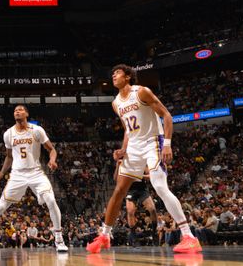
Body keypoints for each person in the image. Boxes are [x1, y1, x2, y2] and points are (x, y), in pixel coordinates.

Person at [86, 64, 202, 254]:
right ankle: (105, 236)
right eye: (112, 73)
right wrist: (123, 149)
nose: (113, 75)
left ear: (128, 76)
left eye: (117, 73)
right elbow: (127, 129)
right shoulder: (116, 103)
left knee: (159, 186)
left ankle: (189, 236)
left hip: (153, 141)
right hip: (133, 146)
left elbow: (167, 115)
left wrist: (167, 143)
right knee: (118, 190)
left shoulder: (141, 92)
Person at [0, 105, 67, 253]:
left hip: (36, 172)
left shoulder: (37, 130)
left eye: (20, 110)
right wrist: (1, 172)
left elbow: (51, 149)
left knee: (51, 200)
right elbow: (9, 156)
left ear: (26, 113)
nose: (17, 112)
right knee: (2, 205)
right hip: (17, 174)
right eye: (15, 111)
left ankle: (59, 239)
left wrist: (52, 160)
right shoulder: (8, 134)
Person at [125, 173, 158, 245]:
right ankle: (133, 236)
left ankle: (154, 232)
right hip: (130, 190)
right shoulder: (126, 163)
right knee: (130, 211)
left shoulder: (143, 163)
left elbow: (150, 176)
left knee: (152, 209)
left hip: (142, 189)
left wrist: (138, 176)